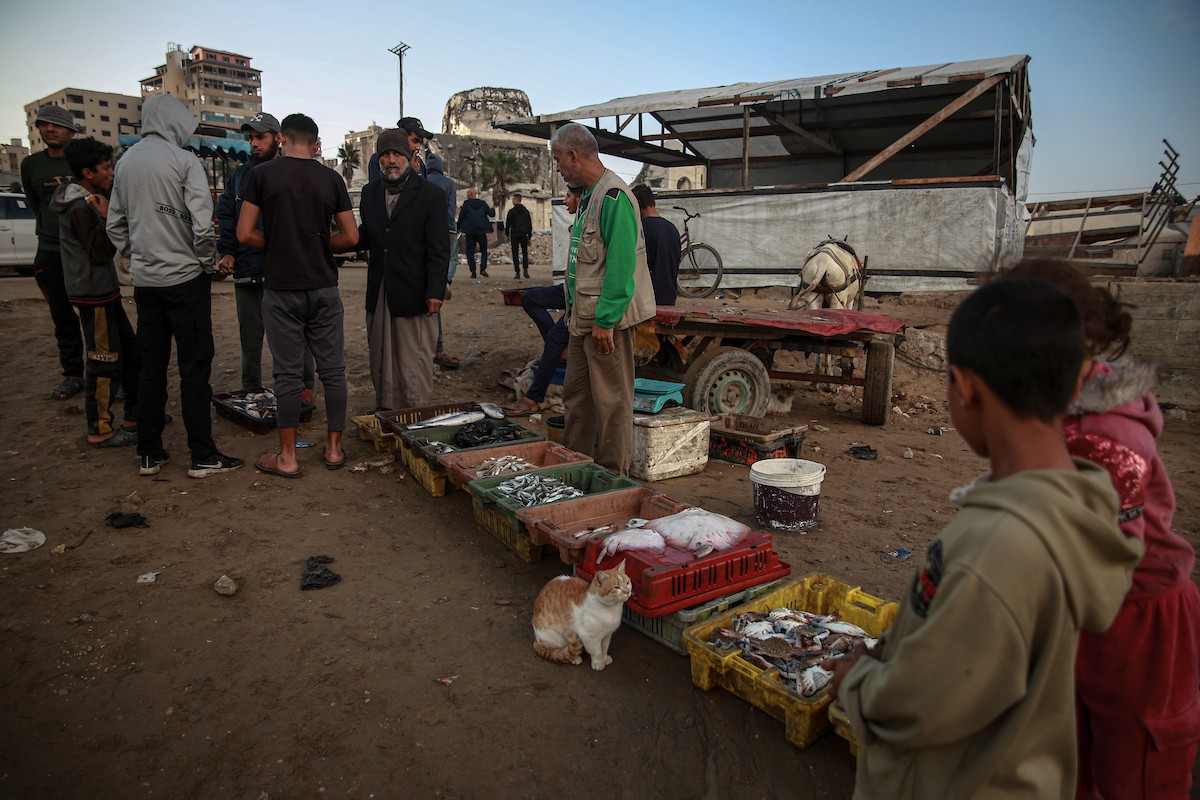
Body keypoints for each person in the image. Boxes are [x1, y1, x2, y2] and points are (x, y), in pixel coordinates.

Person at [827, 277, 1142, 799]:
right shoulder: (1069, 508)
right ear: (1073, 386)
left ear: (964, 386)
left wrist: (855, 681)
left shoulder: (1000, 549)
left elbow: (921, 706)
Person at [1007, 260, 1200, 800]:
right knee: (1073, 761)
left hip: (1136, 621)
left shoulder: (1104, 437)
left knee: (1135, 771)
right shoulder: (1063, 405)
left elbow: (1103, 564)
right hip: (1084, 612)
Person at [107, 93, 242, 479]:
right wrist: (205, 262)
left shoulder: (126, 162)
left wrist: (137, 257)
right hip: (186, 281)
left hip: (147, 285)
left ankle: (149, 453)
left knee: (151, 366)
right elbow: (202, 226)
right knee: (194, 366)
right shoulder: (184, 161)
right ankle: (202, 455)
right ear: (176, 123)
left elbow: (115, 225)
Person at [236, 113, 357, 478]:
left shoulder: (261, 176)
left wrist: (277, 246)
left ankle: (287, 458)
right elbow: (351, 237)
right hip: (323, 286)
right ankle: (334, 449)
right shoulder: (331, 178)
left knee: (287, 376)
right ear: (317, 145)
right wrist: (319, 247)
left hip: (282, 288)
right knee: (333, 370)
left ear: (282, 140)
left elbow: (243, 233)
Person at [550, 123, 655, 475]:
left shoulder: (615, 197)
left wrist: (605, 321)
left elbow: (622, 268)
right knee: (577, 398)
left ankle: (612, 477)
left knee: (612, 403)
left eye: (558, 160)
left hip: (604, 324)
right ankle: (575, 469)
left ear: (574, 156)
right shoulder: (589, 197)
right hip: (582, 320)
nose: (559, 168)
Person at [216, 112, 317, 399]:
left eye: (261, 137)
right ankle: (252, 392)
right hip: (248, 271)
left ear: (278, 138)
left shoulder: (293, 172)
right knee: (250, 340)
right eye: (251, 138)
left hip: (284, 273)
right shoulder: (241, 175)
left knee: (296, 337)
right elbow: (226, 214)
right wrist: (227, 251)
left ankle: (303, 389)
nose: (254, 144)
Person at [49, 137, 139, 447]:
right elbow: (100, 252)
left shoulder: (85, 201)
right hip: (92, 294)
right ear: (88, 172)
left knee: (129, 352)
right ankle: (100, 430)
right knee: (104, 362)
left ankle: (134, 416)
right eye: (105, 167)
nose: (111, 173)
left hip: (103, 291)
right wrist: (109, 219)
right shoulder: (81, 207)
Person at [357, 129, 449, 412]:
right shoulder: (370, 193)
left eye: (397, 154)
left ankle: (415, 412)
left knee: (413, 356)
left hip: (415, 290)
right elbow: (366, 236)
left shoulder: (430, 195)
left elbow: (438, 248)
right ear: (378, 160)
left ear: (410, 157)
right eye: (385, 154)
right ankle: (386, 409)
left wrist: (435, 291)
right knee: (380, 354)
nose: (391, 160)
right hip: (381, 288)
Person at [21, 104, 85, 400]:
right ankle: (72, 375)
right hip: (50, 249)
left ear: (71, 131)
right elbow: (37, 205)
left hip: (84, 251)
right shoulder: (32, 165)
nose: (49, 129)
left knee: (98, 313)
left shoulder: (82, 161)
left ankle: (111, 374)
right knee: (62, 316)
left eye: (56, 125)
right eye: (44, 124)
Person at [503, 185, 582, 417]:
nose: (565, 202)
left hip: (582, 296)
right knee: (530, 299)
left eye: (568, 197)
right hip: (569, 289)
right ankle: (558, 350)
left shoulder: (592, 220)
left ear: (579, 197)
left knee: (557, 338)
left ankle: (534, 398)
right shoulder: (578, 221)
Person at [423, 152, 461, 370]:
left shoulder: (422, 181)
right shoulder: (449, 183)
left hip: (426, 231)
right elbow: (451, 205)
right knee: (450, 257)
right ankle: (445, 280)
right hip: (447, 228)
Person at [631, 184, 680, 305]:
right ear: (654, 202)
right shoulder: (672, 229)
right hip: (669, 298)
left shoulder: (640, 229)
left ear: (636, 207)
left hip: (648, 301)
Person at [367, 116, 433, 182]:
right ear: (403, 138)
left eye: (420, 143)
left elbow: (424, 190)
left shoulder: (419, 164)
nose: (418, 147)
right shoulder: (378, 159)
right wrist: (410, 174)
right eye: (415, 141)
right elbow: (377, 190)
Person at [457, 188, 494, 278]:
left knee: (470, 252)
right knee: (484, 250)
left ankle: (473, 271)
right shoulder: (483, 204)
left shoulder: (466, 204)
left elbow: (461, 217)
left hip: (470, 231)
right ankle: (483, 268)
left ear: (470, 195)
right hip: (481, 231)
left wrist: (458, 228)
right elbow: (491, 214)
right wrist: (493, 208)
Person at [505, 192, 533, 279]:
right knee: (525, 252)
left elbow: (508, 224)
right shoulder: (526, 212)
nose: (512, 201)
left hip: (515, 234)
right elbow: (529, 224)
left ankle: (517, 272)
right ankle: (525, 271)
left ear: (516, 200)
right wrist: (529, 236)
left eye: (513, 199)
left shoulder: (511, 212)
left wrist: (507, 234)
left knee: (515, 253)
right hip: (524, 234)